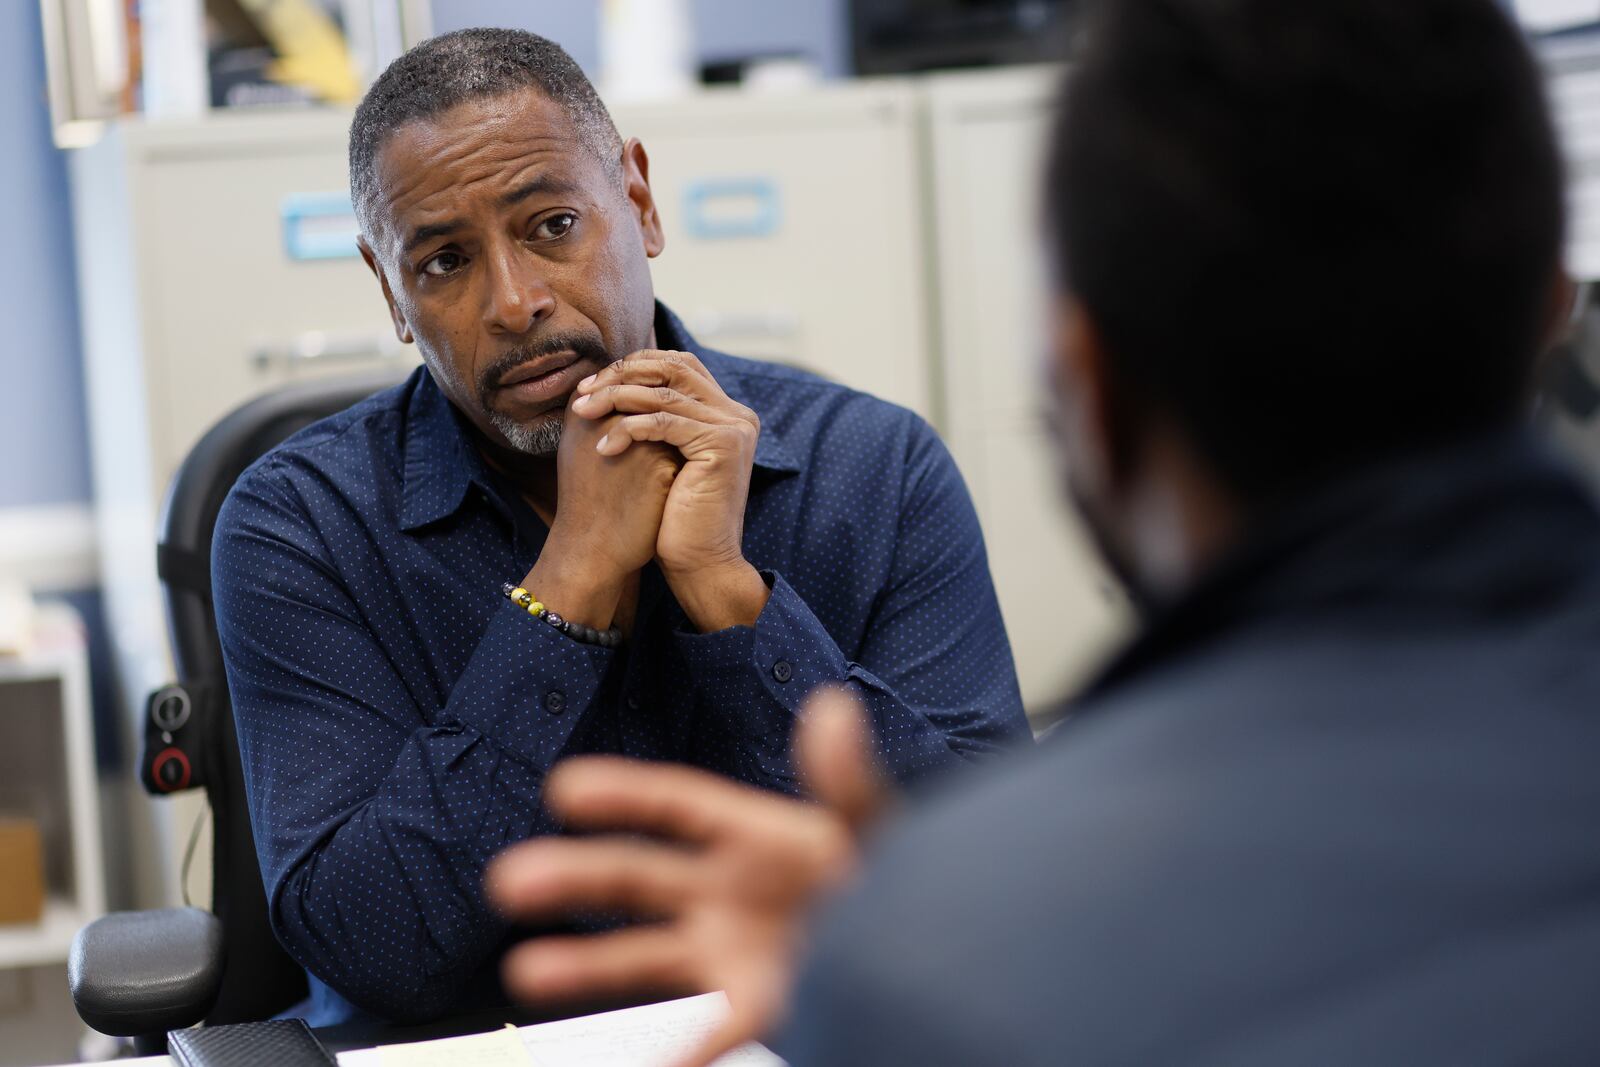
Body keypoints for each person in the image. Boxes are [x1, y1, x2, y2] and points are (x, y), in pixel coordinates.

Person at [487, 0, 1600, 1062]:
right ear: (1553, 311)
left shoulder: (970, 965)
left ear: (1089, 392)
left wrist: (901, 960)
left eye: (550, 225)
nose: (513, 299)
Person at [211, 28, 1030, 1026]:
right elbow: (369, 947)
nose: (513, 302)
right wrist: (570, 582)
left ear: (638, 201)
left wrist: (731, 594)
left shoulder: (875, 468)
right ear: (390, 291)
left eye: (552, 223)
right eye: (443, 262)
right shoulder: (299, 523)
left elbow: (985, 874)